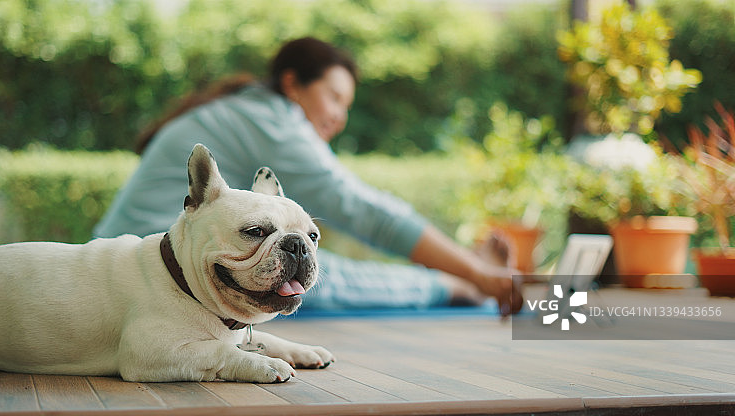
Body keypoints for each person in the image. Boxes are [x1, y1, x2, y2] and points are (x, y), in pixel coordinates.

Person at [94, 37, 522, 315]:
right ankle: (456, 285)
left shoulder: (249, 111)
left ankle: (457, 278)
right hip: (156, 267)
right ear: (293, 84)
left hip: (128, 254)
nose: (340, 117)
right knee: (330, 279)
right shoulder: (273, 121)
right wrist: (477, 274)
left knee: (310, 268)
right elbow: (365, 211)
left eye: (347, 107)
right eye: (334, 97)